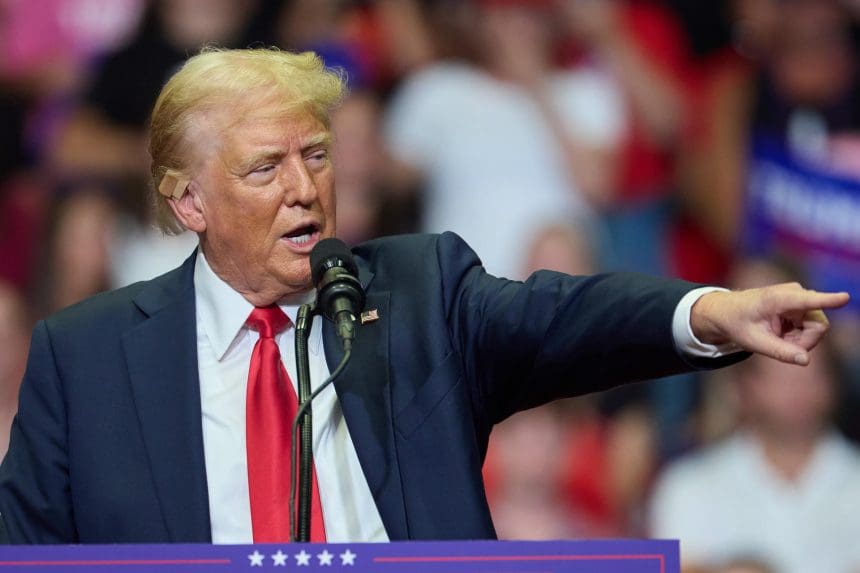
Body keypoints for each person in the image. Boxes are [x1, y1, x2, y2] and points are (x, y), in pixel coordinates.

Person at [0, 48, 849, 545]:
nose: (306, 189)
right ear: (189, 202)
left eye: (318, 155)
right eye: (266, 167)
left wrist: (707, 311)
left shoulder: (417, 292)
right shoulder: (87, 356)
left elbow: (562, 317)